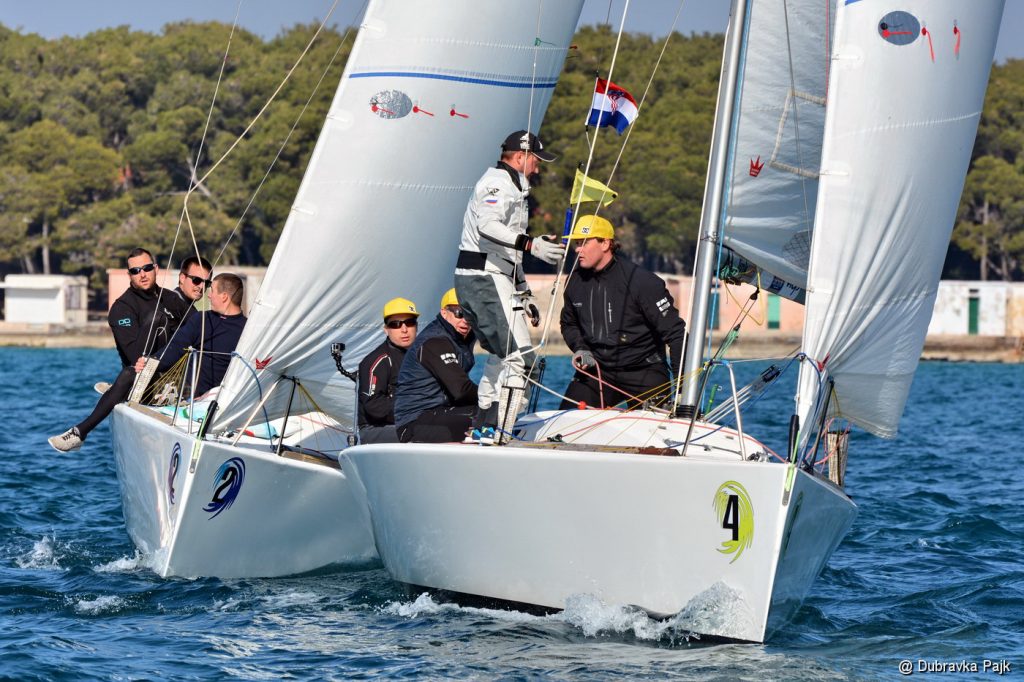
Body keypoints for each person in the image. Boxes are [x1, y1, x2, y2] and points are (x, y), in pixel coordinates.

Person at [454, 130, 565, 441]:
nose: (538, 168)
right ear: (519, 157)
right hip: (482, 277)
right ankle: (501, 434)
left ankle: (484, 427)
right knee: (522, 359)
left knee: (502, 356)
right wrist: (531, 245)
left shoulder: (514, 187)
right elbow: (487, 226)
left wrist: (523, 292)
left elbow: (507, 254)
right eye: (536, 161)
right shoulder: (497, 183)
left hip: (494, 277)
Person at [48, 248, 208, 452]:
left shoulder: (171, 299)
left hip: (177, 378)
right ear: (129, 275)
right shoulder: (121, 308)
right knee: (153, 327)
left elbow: (202, 330)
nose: (142, 274)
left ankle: (115, 390)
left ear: (156, 269)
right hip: (141, 379)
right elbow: (135, 357)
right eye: (135, 271)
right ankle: (80, 432)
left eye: (147, 268)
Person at [559, 215, 686, 410]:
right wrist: (580, 347)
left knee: (654, 427)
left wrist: (683, 390)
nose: (578, 249)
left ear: (605, 244)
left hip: (644, 370)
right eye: (577, 243)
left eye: (584, 243)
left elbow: (677, 335)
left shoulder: (643, 282)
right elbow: (569, 324)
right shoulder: (574, 281)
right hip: (599, 369)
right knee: (566, 419)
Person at [141, 273, 247, 397]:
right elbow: (174, 348)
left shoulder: (248, 330)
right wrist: (147, 363)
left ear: (224, 297)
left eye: (212, 290)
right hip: (192, 401)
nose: (208, 295)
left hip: (226, 399)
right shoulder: (202, 319)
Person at [393, 289, 477, 443]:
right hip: (413, 423)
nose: (465, 320)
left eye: (470, 314)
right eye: (459, 313)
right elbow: (461, 391)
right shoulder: (436, 341)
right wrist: (491, 398)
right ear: (444, 313)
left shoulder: (461, 339)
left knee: (491, 414)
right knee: (484, 414)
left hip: (438, 412)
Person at [357, 297, 419, 444]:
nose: (404, 329)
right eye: (395, 324)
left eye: (409, 323)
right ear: (386, 329)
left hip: (409, 422)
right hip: (375, 429)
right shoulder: (377, 360)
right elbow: (374, 406)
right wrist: (414, 411)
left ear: (416, 326)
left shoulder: (422, 355)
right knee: (428, 432)